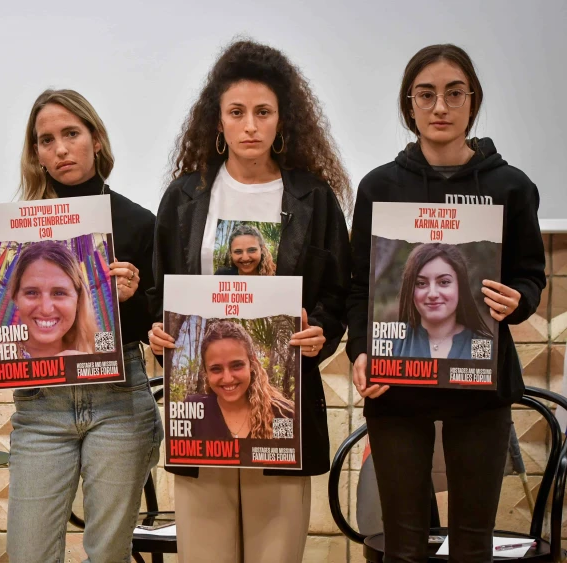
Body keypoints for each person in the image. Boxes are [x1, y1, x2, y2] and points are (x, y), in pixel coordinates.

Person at [148, 39, 351, 562]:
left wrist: (320, 332)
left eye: (263, 112)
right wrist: (157, 330)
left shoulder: (313, 198)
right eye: (236, 113)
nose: (251, 126)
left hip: (281, 413)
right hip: (201, 419)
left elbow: (337, 294)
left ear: (283, 120)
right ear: (217, 122)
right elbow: (160, 290)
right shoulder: (185, 197)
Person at [347, 44, 546, 562]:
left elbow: (530, 278)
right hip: (397, 389)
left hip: (481, 391)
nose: (440, 107)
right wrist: (361, 353)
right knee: (404, 545)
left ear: (472, 102)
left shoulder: (511, 186)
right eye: (427, 94)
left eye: (454, 94)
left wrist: (516, 301)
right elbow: (359, 288)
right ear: (408, 104)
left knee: (473, 545)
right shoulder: (379, 186)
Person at [0, 89, 163, 562]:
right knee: (29, 552)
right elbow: (17, 324)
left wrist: (132, 298)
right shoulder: (15, 229)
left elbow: (157, 326)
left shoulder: (137, 221)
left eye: (71, 134)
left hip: (120, 399)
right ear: (36, 154)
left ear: (96, 140)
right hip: (41, 405)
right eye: (46, 139)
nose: (60, 149)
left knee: (107, 552)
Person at [185, 320, 294, 440]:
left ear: (252, 363)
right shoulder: (192, 410)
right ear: (206, 371)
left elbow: (288, 455)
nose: (227, 379)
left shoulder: (281, 414)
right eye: (216, 369)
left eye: (236, 365)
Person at [390, 242, 494, 359]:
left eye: (444, 282)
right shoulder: (391, 343)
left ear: (460, 287)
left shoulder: (481, 345)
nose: (433, 294)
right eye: (421, 283)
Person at [7, 239, 97, 358]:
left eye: (59, 293)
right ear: (15, 297)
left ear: (79, 299)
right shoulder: (2, 352)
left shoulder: (99, 342)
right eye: (32, 292)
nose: (46, 309)